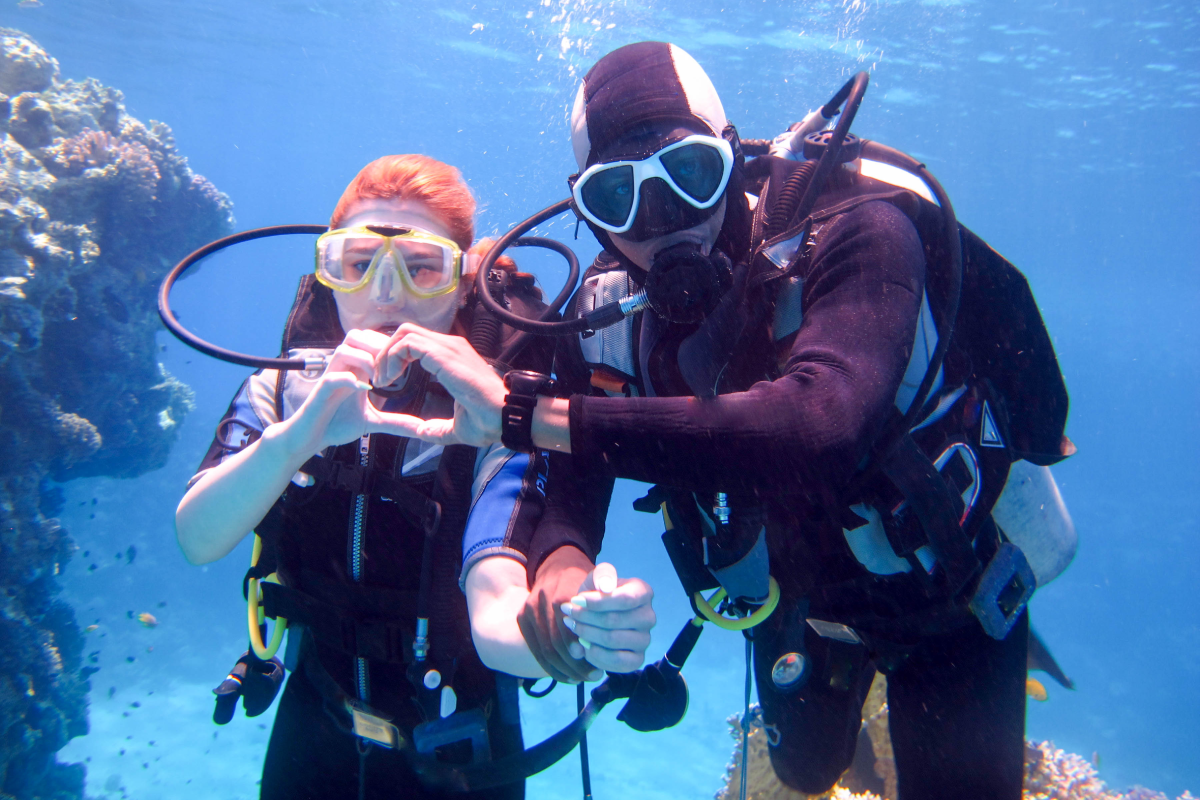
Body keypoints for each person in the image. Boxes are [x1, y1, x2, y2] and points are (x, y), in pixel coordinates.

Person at [374, 43, 1077, 800]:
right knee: (807, 771)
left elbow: (820, 422)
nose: (662, 221)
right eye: (619, 197)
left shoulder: (858, 230)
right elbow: (572, 490)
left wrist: (525, 413)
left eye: (691, 174)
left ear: (733, 156)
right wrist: (566, 584)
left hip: (950, 598)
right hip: (797, 607)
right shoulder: (607, 322)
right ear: (587, 207)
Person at [174, 154, 655, 800]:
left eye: (422, 268)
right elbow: (197, 537)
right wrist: (298, 438)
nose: (386, 293)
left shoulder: (489, 417)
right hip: (315, 732)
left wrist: (572, 633)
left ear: (461, 285)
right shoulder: (280, 391)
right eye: (359, 262)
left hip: (461, 756)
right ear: (330, 273)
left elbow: (496, 615)